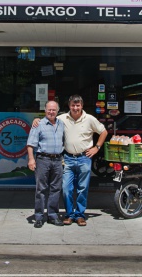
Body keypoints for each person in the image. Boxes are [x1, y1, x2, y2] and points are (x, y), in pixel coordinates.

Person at [33, 94, 108, 226]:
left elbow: (104, 132)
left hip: (84, 157)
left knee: (82, 188)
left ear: (82, 106)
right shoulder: (62, 118)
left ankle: (79, 215)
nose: (75, 108)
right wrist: (37, 120)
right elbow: (48, 118)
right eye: (73, 105)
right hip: (67, 158)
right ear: (69, 106)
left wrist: (96, 147)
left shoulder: (90, 119)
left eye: (78, 105)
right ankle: (69, 214)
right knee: (66, 188)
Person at [26, 100, 65, 228]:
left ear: (57, 111)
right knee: (41, 189)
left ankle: (53, 215)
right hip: (43, 159)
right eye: (49, 109)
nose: (51, 112)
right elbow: (31, 144)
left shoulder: (62, 124)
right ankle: (39, 217)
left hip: (58, 160)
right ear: (45, 110)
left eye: (54, 110)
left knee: (56, 188)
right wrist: (31, 159)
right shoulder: (39, 124)